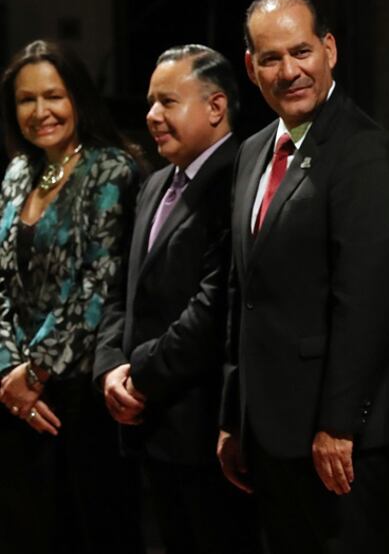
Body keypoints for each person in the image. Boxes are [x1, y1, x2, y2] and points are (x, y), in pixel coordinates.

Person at [218, 0, 389, 553]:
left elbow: (368, 306)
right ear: (251, 68)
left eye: (301, 51)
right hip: (270, 433)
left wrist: (340, 425)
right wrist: (236, 414)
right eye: (271, 58)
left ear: (329, 49)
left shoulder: (365, 151)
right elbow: (242, 291)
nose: (289, 71)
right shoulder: (253, 152)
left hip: (339, 441)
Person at [93, 44, 259, 553]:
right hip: (149, 426)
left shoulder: (238, 175)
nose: (151, 116)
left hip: (203, 428)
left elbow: (213, 306)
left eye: (167, 101)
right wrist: (109, 365)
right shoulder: (157, 181)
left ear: (216, 107)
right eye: (150, 102)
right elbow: (125, 285)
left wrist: (139, 376)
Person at [0, 39, 142, 553]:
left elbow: (98, 284)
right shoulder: (18, 173)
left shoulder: (112, 170)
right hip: (14, 397)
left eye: (53, 96)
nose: (41, 112)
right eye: (26, 100)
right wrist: (8, 373)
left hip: (79, 392)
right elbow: (3, 282)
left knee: (90, 529)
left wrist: (35, 371)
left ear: (78, 98)